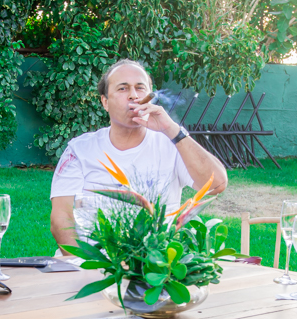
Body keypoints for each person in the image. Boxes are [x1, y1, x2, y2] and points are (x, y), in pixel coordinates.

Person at [49, 59, 228, 248]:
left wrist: (172, 130)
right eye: (123, 89)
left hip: (152, 266)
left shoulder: (173, 144)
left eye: (140, 88)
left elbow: (217, 185)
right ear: (105, 102)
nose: (133, 95)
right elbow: (61, 220)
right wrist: (88, 268)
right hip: (92, 266)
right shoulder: (79, 150)